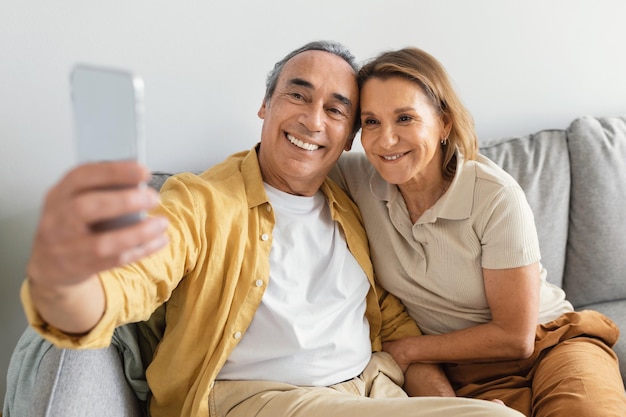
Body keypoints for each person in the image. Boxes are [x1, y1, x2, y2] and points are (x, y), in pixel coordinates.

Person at [15, 41, 523, 417]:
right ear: (266, 106)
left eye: (335, 110)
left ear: (349, 136)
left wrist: (438, 398)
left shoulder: (350, 205)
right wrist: (69, 283)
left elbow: (390, 324)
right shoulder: (201, 202)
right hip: (259, 399)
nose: (312, 121)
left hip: (370, 388)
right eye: (297, 97)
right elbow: (134, 278)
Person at [331, 46, 626, 417]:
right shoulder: (354, 179)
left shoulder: (494, 195)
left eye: (405, 118)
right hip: (461, 368)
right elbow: (286, 160)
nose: (386, 140)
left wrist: (406, 350)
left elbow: (514, 337)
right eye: (371, 122)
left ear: (444, 123)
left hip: (550, 342)